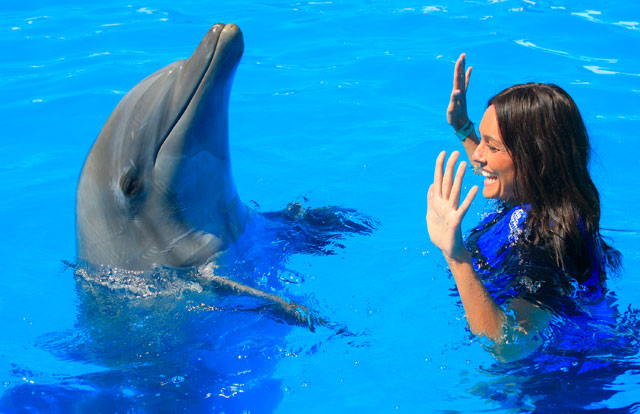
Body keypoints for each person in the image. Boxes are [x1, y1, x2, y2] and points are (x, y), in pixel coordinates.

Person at [426, 53, 621, 343]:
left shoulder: (539, 246)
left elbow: (509, 346)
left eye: (491, 146)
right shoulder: (549, 197)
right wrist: (463, 128)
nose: (477, 157)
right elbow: (503, 172)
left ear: (534, 161)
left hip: (559, 379)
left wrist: (456, 257)